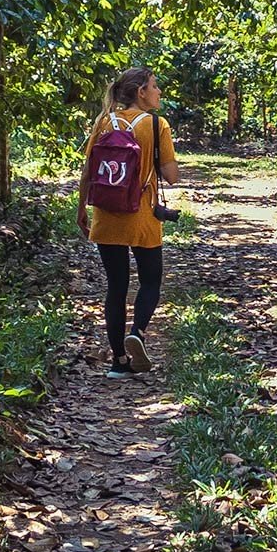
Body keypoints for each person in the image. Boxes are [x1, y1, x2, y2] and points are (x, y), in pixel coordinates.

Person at [76, 67, 179, 377]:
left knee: (116, 287)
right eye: (155, 86)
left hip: (106, 215)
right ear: (140, 92)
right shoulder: (156, 124)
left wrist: (81, 208)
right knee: (150, 280)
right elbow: (172, 177)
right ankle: (138, 332)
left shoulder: (104, 121)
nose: (159, 91)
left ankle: (119, 362)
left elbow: (88, 170)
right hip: (142, 216)